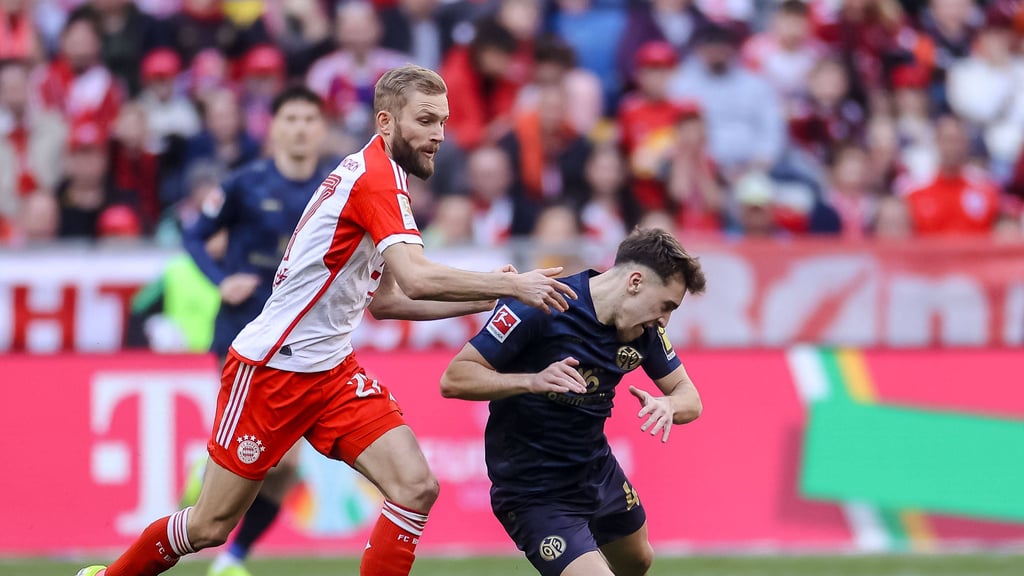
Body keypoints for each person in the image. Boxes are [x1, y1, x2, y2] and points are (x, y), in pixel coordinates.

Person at [76, 63, 578, 576]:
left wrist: (492, 299)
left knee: (415, 486)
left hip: (331, 371)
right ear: (386, 121)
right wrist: (508, 285)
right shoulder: (376, 181)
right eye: (426, 121)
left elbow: (387, 301)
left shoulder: (383, 176)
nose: (439, 135)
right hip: (272, 371)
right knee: (210, 526)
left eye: (443, 122)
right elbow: (417, 278)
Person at [440, 228, 706, 576]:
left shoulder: (645, 331)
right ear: (635, 282)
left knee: (638, 561)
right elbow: (455, 378)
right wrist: (531, 381)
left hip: (597, 472)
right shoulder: (542, 304)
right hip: (534, 490)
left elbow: (690, 398)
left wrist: (669, 405)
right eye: (666, 305)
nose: (664, 320)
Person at [179, 85, 337, 576]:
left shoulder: (338, 188)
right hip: (242, 334)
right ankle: (214, 479)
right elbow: (194, 234)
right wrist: (220, 279)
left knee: (284, 467)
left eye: (309, 119)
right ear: (273, 128)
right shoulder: (244, 183)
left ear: (321, 128)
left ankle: (232, 555)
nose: (300, 128)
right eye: (291, 118)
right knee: (271, 456)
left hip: (302, 342)